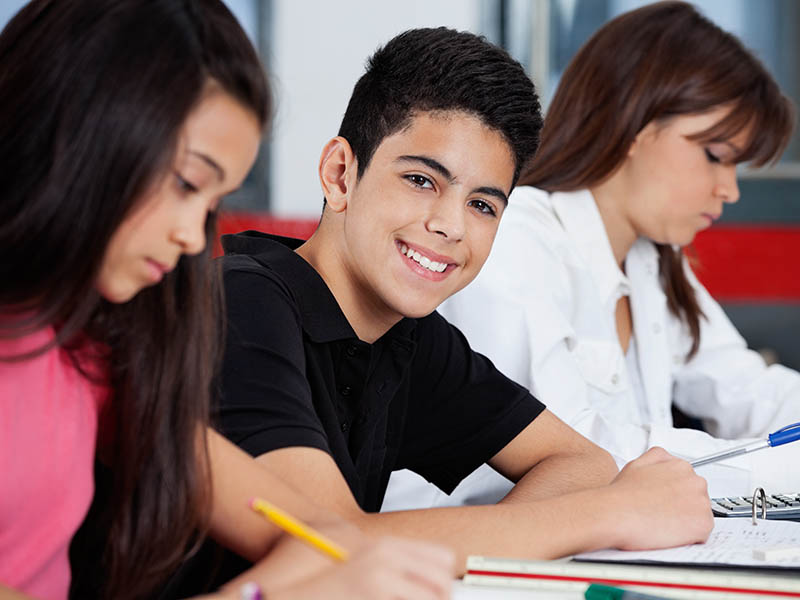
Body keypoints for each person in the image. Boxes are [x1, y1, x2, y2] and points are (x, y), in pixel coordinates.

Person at [201, 26, 713, 585]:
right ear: (340, 175)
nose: (450, 225)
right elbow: (331, 543)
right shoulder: (241, 302)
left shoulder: (410, 336)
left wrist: (498, 551)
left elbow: (581, 462)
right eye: (421, 179)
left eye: (483, 205)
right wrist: (616, 513)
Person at [0, 2, 454, 600]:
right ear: (79, 127)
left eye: (211, 201)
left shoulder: (92, 350)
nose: (193, 235)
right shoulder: (250, 298)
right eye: (187, 182)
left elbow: (319, 535)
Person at [383, 0, 799, 514]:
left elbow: (744, 386)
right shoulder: (517, 237)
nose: (730, 190)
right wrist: (771, 468)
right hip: (454, 558)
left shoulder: (654, 261)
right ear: (634, 124)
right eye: (716, 156)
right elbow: (577, 452)